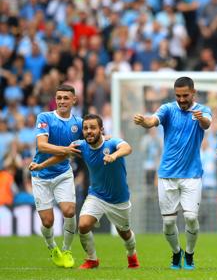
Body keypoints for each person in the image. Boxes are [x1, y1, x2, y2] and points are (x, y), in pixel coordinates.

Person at [30, 114, 139, 269]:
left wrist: (114, 156)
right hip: (96, 196)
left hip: (118, 199)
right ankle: (92, 259)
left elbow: (127, 148)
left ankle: (131, 254)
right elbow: (63, 155)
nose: (89, 131)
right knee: (83, 226)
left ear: (101, 129)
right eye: (86, 128)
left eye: (93, 128)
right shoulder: (80, 146)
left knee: (125, 233)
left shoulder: (112, 142)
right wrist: (41, 166)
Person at [133, 76, 212, 270]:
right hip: (167, 174)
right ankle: (177, 252)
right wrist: (144, 121)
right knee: (168, 223)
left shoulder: (202, 110)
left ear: (193, 92)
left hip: (192, 175)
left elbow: (207, 123)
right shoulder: (168, 109)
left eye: (185, 95)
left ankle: (190, 255)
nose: (182, 99)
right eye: (178, 95)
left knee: (191, 218)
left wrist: (202, 118)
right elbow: (153, 120)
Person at [31, 84, 82, 268]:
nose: (61, 101)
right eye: (59, 98)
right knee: (48, 221)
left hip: (62, 173)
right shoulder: (44, 118)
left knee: (69, 211)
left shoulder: (79, 123)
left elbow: (94, 137)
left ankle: (67, 250)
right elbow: (42, 145)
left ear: (73, 100)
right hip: (40, 174)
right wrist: (66, 150)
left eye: (66, 98)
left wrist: (106, 139)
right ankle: (52, 247)